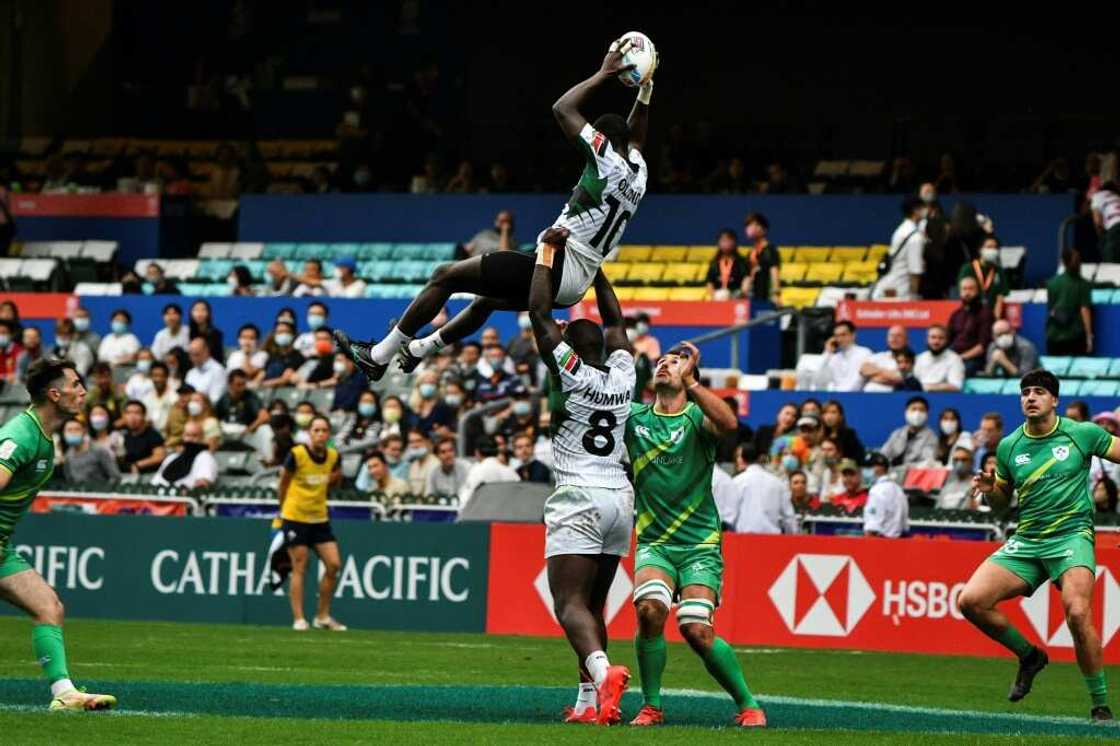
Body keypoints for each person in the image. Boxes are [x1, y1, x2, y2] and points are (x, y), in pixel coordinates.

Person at [334, 40, 652, 384]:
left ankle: (378, 356)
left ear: (602, 138)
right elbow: (634, 138)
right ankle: (418, 350)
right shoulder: (639, 173)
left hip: (557, 264)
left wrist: (604, 74)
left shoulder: (605, 159)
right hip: (577, 282)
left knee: (446, 275)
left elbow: (563, 109)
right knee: (484, 301)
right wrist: (644, 91)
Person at [525, 226, 637, 725]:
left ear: (569, 346)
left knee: (567, 602)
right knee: (593, 606)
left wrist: (550, 254)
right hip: (620, 498)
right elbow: (615, 321)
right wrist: (596, 269)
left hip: (579, 493)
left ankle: (601, 671)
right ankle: (593, 705)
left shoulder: (568, 371)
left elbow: (539, 313)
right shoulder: (624, 374)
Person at [961, 369, 1120, 721]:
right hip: (1028, 540)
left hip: (1071, 538)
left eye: (1039, 392)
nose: (1030, 397)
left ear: (1054, 399)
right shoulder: (1009, 445)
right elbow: (1003, 503)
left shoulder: (1082, 433)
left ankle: (1100, 705)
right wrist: (993, 489)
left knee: (1078, 613)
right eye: (1025, 392)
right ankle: (1030, 656)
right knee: (970, 601)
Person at [625, 341, 765, 728]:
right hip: (655, 541)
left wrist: (695, 385)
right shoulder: (634, 418)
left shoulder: (696, 419)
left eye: (674, 363)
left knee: (696, 629)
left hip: (700, 544)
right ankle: (651, 705)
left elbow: (730, 424)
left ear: (690, 378)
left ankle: (748, 703)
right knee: (649, 610)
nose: (664, 366)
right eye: (661, 362)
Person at [0, 358, 117, 710]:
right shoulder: (20, 434)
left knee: (48, 606)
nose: (83, 391)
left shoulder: (44, 436)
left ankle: (64, 694)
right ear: (55, 394)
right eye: (76, 385)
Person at [277, 415, 346, 632]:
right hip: (295, 517)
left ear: (329, 435)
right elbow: (284, 482)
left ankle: (322, 616)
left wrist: (332, 480)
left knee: (334, 564)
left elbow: (336, 476)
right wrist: (283, 510)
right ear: (309, 433)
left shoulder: (333, 456)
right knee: (300, 565)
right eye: (316, 430)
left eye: (324, 430)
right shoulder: (297, 455)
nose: (320, 434)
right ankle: (299, 619)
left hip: (319, 518)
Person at [729, 442, 795, 534]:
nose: (738, 460)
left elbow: (728, 516)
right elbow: (789, 518)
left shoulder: (736, 482)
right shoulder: (778, 483)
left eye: (739, 456)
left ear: (742, 459)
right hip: (771, 542)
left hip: (743, 542)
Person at [873, 196, 926, 300]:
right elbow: (914, 270)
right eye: (923, 208)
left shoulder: (901, 230)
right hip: (899, 291)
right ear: (915, 211)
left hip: (888, 285)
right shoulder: (915, 237)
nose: (925, 211)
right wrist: (914, 296)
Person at [1046, 248, 1094, 355]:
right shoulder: (1083, 285)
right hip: (1075, 337)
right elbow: (1085, 310)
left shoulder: (1052, 283)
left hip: (1054, 336)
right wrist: (1089, 336)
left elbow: (1051, 309)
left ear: (1063, 262)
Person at [215, 369, 272, 456]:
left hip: (246, 432)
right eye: (238, 385)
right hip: (226, 432)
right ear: (230, 384)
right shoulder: (224, 398)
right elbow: (214, 416)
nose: (242, 388)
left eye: (244, 384)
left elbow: (264, 416)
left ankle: (266, 459)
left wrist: (248, 430)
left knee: (265, 430)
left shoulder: (250, 397)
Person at [948, 276, 995, 377]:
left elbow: (983, 346)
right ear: (960, 292)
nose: (967, 293)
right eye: (964, 289)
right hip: (954, 356)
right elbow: (948, 340)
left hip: (974, 359)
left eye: (971, 289)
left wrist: (961, 357)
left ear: (978, 291)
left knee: (957, 372)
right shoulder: (956, 314)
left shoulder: (985, 313)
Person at [150, 421, 218, 489]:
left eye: (195, 435)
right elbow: (155, 482)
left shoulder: (205, 458)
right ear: (183, 436)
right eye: (187, 435)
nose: (190, 439)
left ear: (202, 437)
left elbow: (202, 484)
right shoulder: (171, 458)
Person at [958, 235, 1009, 318]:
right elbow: (963, 294)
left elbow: (1000, 298)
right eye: (989, 247)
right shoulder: (968, 268)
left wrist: (995, 320)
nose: (992, 250)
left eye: (995, 247)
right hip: (970, 315)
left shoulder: (998, 271)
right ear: (980, 250)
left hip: (991, 315)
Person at [457, 436, 519, 506]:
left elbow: (465, 501)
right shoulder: (510, 472)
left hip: (483, 514)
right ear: (497, 451)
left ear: (477, 452)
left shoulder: (476, 470)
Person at [813, 321, 871, 391]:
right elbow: (818, 381)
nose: (839, 339)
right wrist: (827, 352)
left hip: (856, 397)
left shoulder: (864, 353)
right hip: (836, 397)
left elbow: (861, 381)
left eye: (843, 335)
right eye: (836, 336)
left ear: (853, 335)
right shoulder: (833, 358)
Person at [58, 418, 119, 484]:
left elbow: (115, 476)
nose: (73, 432)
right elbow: (69, 480)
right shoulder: (68, 456)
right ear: (64, 433)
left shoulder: (99, 451)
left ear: (84, 431)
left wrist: (106, 491)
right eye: (69, 430)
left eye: (77, 429)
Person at [880, 396, 938, 466]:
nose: (917, 413)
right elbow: (883, 454)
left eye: (921, 410)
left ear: (927, 415)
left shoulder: (931, 437)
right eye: (913, 409)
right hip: (891, 472)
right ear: (906, 412)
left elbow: (926, 462)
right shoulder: (897, 433)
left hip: (913, 474)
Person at [863, 451, 909, 537]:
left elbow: (872, 529)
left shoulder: (877, 490)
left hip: (880, 544)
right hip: (898, 543)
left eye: (869, 467)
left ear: (880, 468)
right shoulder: (899, 490)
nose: (865, 470)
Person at [118, 400, 166, 474]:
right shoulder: (123, 434)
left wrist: (137, 465)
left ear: (143, 416)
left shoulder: (153, 434)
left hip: (149, 475)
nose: (132, 417)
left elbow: (159, 456)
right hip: (127, 475)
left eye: (137, 413)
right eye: (128, 413)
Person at [743, 212, 780, 304]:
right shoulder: (751, 252)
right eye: (747, 226)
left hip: (766, 297)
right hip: (752, 297)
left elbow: (774, 271)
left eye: (752, 225)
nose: (749, 229)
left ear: (762, 229)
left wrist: (776, 294)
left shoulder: (770, 250)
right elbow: (748, 274)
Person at [914, 325, 965, 392]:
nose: (936, 341)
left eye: (941, 338)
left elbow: (956, 386)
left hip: (943, 398)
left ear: (946, 340)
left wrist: (929, 387)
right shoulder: (920, 358)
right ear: (927, 339)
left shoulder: (955, 359)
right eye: (933, 337)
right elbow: (913, 382)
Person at [859, 325, 909, 392]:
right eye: (891, 335)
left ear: (906, 340)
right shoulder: (879, 356)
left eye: (898, 335)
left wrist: (873, 375)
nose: (894, 339)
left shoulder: (909, 360)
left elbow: (899, 378)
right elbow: (863, 369)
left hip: (888, 398)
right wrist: (888, 374)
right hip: (866, 396)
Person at [706, 228, 749, 299]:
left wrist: (742, 294)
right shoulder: (714, 263)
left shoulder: (742, 262)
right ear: (718, 243)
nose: (726, 243)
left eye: (729, 240)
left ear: (734, 242)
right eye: (723, 241)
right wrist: (714, 296)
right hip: (718, 298)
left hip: (736, 297)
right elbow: (709, 282)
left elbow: (746, 279)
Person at [261, 321, 304, 388]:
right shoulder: (272, 356)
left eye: (286, 332)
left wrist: (262, 384)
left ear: (292, 335)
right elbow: (262, 374)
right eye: (279, 332)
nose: (283, 335)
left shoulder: (298, 356)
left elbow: (285, 379)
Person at [184, 338, 227, 404]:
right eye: (190, 355)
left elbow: (215, 401)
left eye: (196, 354)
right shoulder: (190, 373)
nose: (192, 359)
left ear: (206, 352)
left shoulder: (218, 371)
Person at [141, 361, 177, 432]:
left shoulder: (174, 397)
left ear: (167, 377)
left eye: (161, 376)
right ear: (151, 377)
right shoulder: (146, 398)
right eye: (155, 376)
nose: (158, 379)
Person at [938, 445, 977, 510]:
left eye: (964, 460)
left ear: (972, 462)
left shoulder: (978, 485)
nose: (959, 463)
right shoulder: (946, 488)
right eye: (956, 460)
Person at [1090, 181, 1120, 262]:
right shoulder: (1117, 197)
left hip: (1116, 228)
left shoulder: (1098, 195)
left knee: (1111, 263)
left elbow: (1097, 221)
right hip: (1115, 227)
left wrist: (1101, 238)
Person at [404, 428, 439, 494]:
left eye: (419, 441)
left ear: (428, 442)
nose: (415, 445)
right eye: (411, 442)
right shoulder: (413, 465)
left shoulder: (435, 464)